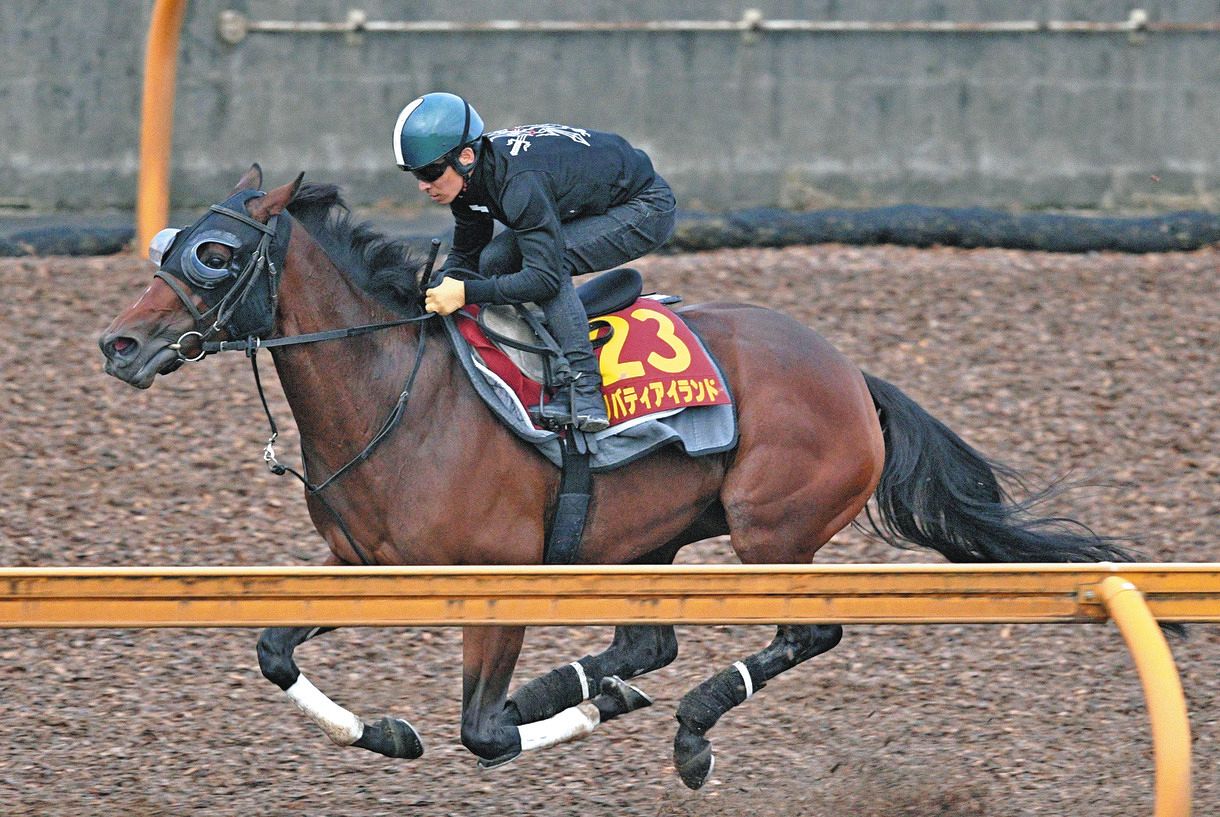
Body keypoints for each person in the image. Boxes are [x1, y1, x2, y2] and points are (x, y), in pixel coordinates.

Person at [393, 92, 677, 432]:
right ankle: (543, 340)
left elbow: (543, 278)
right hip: (585, 196)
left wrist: (466, 292)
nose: (424, 185)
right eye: (416, 175)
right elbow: (468, 255)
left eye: (430, 172)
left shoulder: (517, 184)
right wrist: (438, 289)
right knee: (494, 258)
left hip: (645, 208)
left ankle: (584, 389)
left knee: (548, 266)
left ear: (466, 156)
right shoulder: (468, 179)